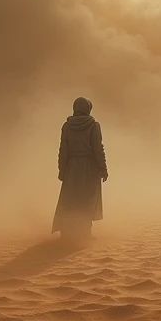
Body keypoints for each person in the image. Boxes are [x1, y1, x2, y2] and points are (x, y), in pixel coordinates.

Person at [52, 97, 108, 242]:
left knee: (70, 199)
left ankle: (66, 233)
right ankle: (85, 234)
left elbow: (63, 150)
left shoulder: (67, 126)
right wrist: (103, 168)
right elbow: (98, 148)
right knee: (87, 199)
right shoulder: (94, 125)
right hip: (89, 167)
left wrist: (62, 169)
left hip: (72, 167)